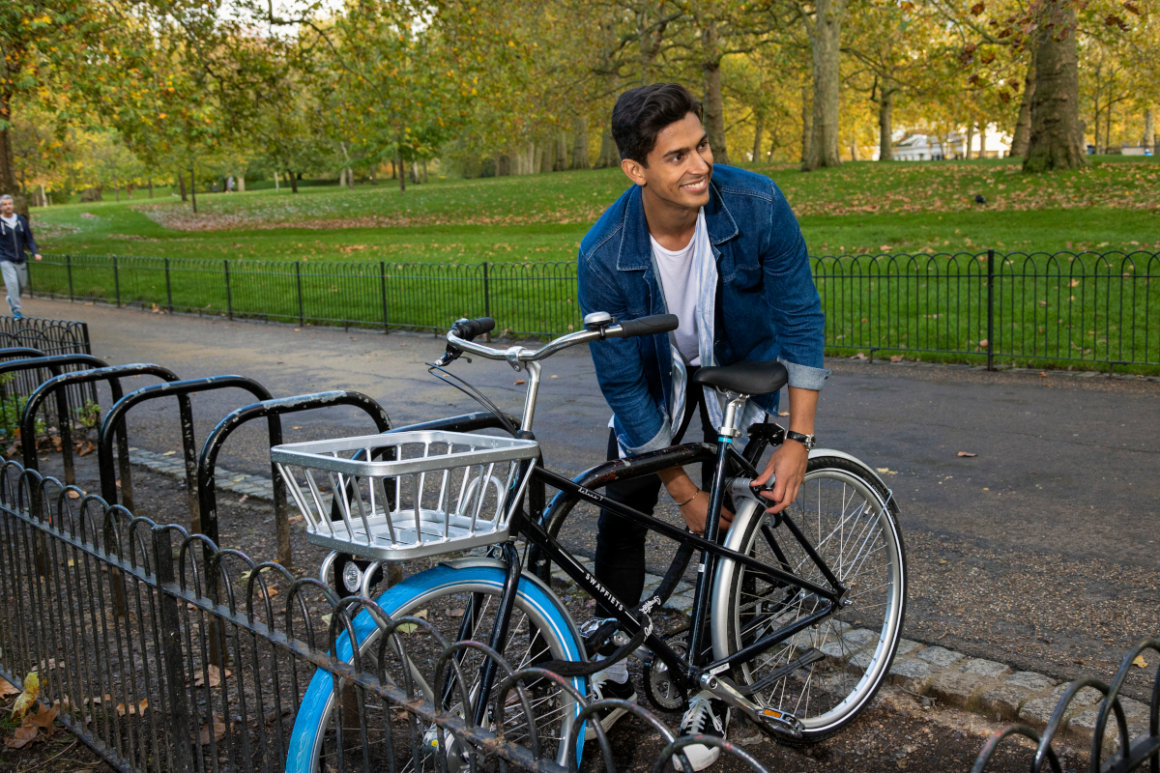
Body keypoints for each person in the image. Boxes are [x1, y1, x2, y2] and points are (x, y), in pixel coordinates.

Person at [577, 84, 829, 770]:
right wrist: (681, 491)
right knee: (623, 507)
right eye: (677, 155)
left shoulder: (756, 203)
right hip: (657, 378)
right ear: (637, 170)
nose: (700, 165)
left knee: (733, 526)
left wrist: (798, 441)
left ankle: (717, 685)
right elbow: (624, 384)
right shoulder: (603, 255)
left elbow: (800, 314)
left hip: (736, 368)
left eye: (704, 145)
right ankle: (613, 657)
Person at [0, 195, 43, 319]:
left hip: (20, 258)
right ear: (1, 207)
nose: (8, 206)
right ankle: (17, 311)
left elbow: (28, 238)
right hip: (4, 258)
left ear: (13, 205)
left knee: (21, 286)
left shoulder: (20, 220)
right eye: (4, 204)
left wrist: (35, 252)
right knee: (12, 284)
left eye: (9, 203)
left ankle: (11, 298)